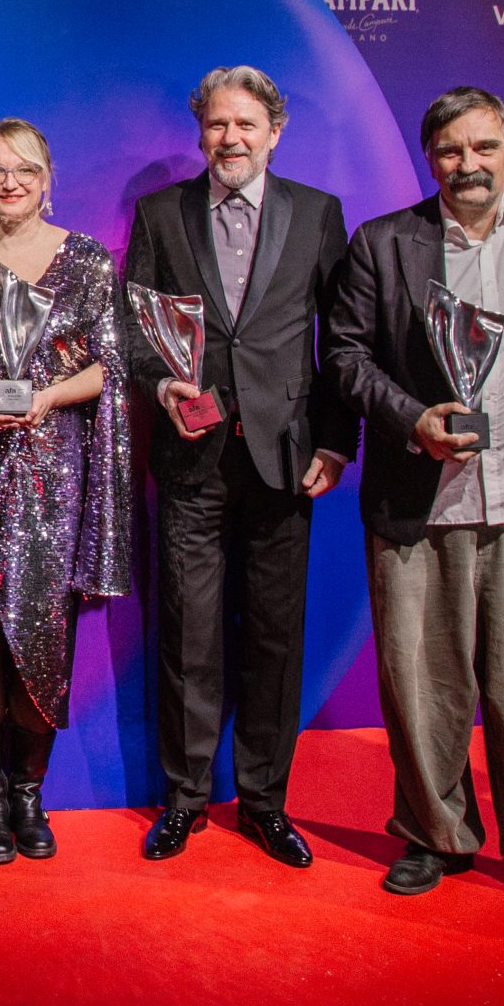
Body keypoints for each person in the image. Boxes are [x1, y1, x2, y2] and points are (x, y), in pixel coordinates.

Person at [324, 87, 504, 916]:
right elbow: (342, 353)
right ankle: (431, 833)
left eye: (484, 147)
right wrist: (414, 419)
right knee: (421, 683)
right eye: (450, 150)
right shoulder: (385, 243)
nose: (467, 164)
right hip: (421, 497)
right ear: (430, 158)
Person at [121, 65, 356, 869]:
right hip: (191, 455)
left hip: (286, 458)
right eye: (218, 125)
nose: (231, 138)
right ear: (200, 133)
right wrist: (160, 381)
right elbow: (133, 332)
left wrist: (335, 440)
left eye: (246, 125)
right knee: (188, 636)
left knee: (275, 638)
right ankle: (184, 799)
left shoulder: (318, 214)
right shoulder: (162, 213)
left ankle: (264, 801)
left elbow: (343, 339)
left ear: (274, 132)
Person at [0, 118, 131, 865]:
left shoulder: (85, 261)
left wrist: (46, 398)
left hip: (54, 473)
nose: (8, 181)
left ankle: (28, 795)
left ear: (48, 177)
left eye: (22, 169)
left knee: (40, 637)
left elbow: (108, 367)